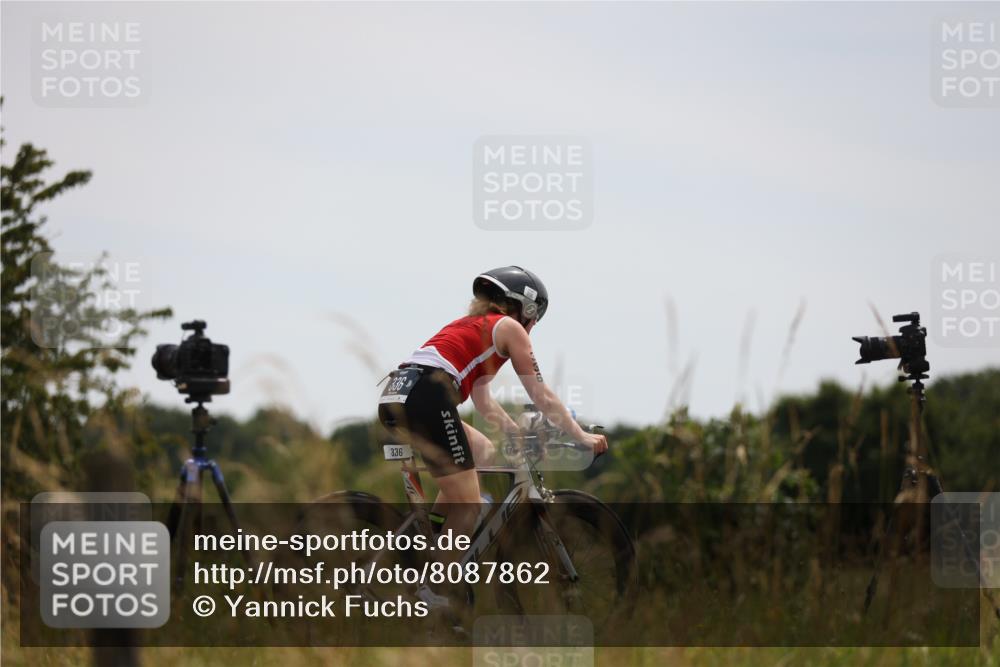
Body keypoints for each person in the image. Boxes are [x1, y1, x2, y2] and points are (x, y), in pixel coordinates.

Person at [377, 266, 608, 541]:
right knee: (469, 506)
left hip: (399, 391)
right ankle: (436, 584)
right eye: (535, 318)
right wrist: (580, 435)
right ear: (527, 310)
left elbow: (483, 400)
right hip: (428, 395)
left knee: (483, 450)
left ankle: (433, 532)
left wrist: (515, 434)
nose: (532, 327)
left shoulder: (471, 326)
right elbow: (541, 394)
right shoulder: (509, 327)